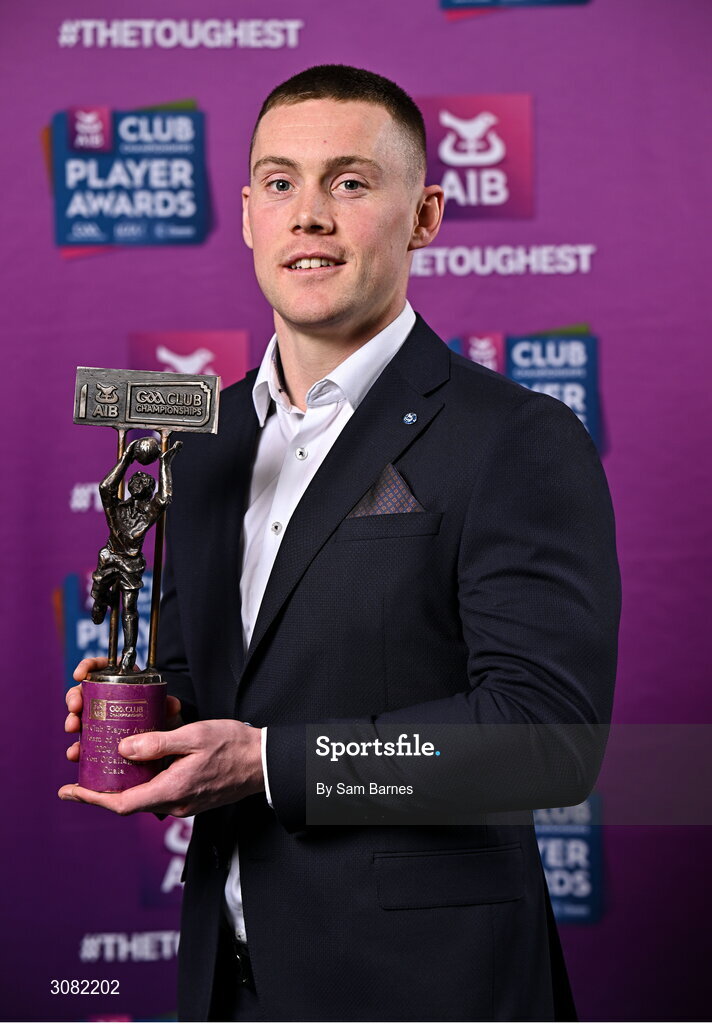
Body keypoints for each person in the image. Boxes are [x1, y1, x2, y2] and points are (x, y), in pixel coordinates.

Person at [61, 65, 620, 1022]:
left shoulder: (517, 438)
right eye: (280, 183)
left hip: (424, 987)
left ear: (426, 215)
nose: (308, 215)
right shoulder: (200, 444)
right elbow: (214, 679)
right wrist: (157, 726)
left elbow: (546, 737)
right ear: (245, 215)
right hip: (226, 984)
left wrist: (270, 763)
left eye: (350, 183)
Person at [90, 436, 181, 672]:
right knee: (99, 590)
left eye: (145, 480)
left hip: (131, 564)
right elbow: (105, 487)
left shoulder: (148, 513)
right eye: (136, 478)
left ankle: (129, 650)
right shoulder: (117, 507)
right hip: (109, 557)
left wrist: (164, 463)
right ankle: (103, 600)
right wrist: (127, 458)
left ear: (149, 491)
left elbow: (165, 498)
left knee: (130, 607)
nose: (139, 479)